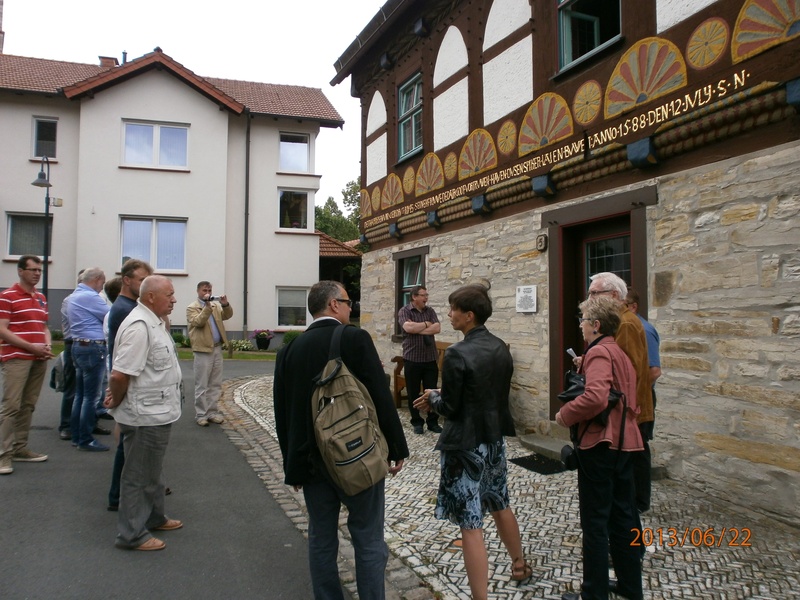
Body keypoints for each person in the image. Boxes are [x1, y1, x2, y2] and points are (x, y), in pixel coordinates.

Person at [273, 280, 409, 599]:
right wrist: (396, 446)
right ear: (334, 304)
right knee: (368, 537)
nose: (351, 308)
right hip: (357, 455)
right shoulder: (354, 338)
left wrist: (292, 465)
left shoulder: (289, 350)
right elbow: (379, 395)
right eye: (348, 302)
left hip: (311, 463)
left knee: (321, 538)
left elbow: (283, 412)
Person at [413, 284, 528, 600]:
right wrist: (441, 394)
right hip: (493, 441)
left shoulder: (456, 352)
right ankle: (519, 564)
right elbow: (486, 391)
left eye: (453, 309)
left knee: (471, 522)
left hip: (465, 447)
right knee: (500, 503)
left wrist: (432, 399)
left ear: (469, 315)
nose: (449, 313)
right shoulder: (500, 347)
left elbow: (451, 407)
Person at [556, 297, 644, 600]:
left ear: (596, 325)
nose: (580, 326)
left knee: (595, 522)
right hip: (625, 443)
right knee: (623, 519)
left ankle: (594, 593)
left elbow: (595, 397)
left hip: (601, 444)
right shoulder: (617, 351)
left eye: (583, 320)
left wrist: (564, 415)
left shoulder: (599, 352)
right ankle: (631, 588)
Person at [104, 274, 183, 551]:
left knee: (153, 470)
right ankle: (132, 534)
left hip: (157, 412)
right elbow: (119, 374)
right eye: (169, 295)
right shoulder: (139, 326)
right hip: (144, 416)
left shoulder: (155, 322)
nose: (174, 300)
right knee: (138, 475)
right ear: (151, 297)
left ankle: (154, 517)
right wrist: (116, 400)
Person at [105, 259, 153, 512]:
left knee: (128, 441)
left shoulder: (128, 306)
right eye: (141, 280)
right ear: (126, 280)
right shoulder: (126, 309)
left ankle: (127, 491)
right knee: (129, 445)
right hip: (131, 381)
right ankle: (120, 496)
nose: (145, 286)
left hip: (129, 379)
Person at [0, 255, 53, 475]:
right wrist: (32, 347)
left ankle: (20, 448)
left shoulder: (40, 297)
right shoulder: (7, 296)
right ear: (21, 271)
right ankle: (3, 455)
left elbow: (44, 326)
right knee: (11, 406)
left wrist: (47, 343)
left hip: (38, 359)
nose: (37, 274)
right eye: (33, 270)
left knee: (28, 404)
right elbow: (2, 330)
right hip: (17, 358)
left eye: (39, 270)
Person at [625, 287, 661, 513]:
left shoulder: (643, 330)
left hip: (642, 397)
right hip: (633, 396)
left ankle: (641, 501)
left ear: (633, 306)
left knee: (639, 448)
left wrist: (635, 390)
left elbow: (654, 370)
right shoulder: (627, 326)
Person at [68, 267, 111, 451]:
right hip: (93, 347)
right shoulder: (90, 297)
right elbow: (111, 316)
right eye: (102, 282)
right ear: (96, 279)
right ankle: (85, 439)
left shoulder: (74, 295)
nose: (102, 287)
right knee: (91, 397)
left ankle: (77, 435)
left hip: (79, 346)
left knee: (80, 395)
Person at [186, 281, 232, 427]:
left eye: (209, 290)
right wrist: (206, 307)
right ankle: (201, 414)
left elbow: (228, 315)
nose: (207, 293)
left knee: (215, 383)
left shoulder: (215, 306)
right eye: (204, 290)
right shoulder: (192, 307)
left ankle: (212, 412)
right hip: (202, 350)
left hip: (217, 348)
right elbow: (198, 322)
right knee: (202, 384)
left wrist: (225, 304)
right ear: (198, 291)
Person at [397, 285, 442, 434]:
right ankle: (417, 422)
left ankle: (432, 422)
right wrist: (426, 324)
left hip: (430, 359)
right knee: (413, 392)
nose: (426, 298)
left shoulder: (430, 311)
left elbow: (437, 328)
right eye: (423, 295)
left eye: (426, 295)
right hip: (412, 359)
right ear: (414, 297)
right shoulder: (405, 311)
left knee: (432, 392)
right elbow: (408, 329)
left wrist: (417, 329)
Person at [57, 270, 85, 441]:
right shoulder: (71, 300)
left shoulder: (93, 300)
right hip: (74, 344)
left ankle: (87, 423)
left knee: (88, 389)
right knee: (72, 387)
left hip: (85, 345)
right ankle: (66, 425)